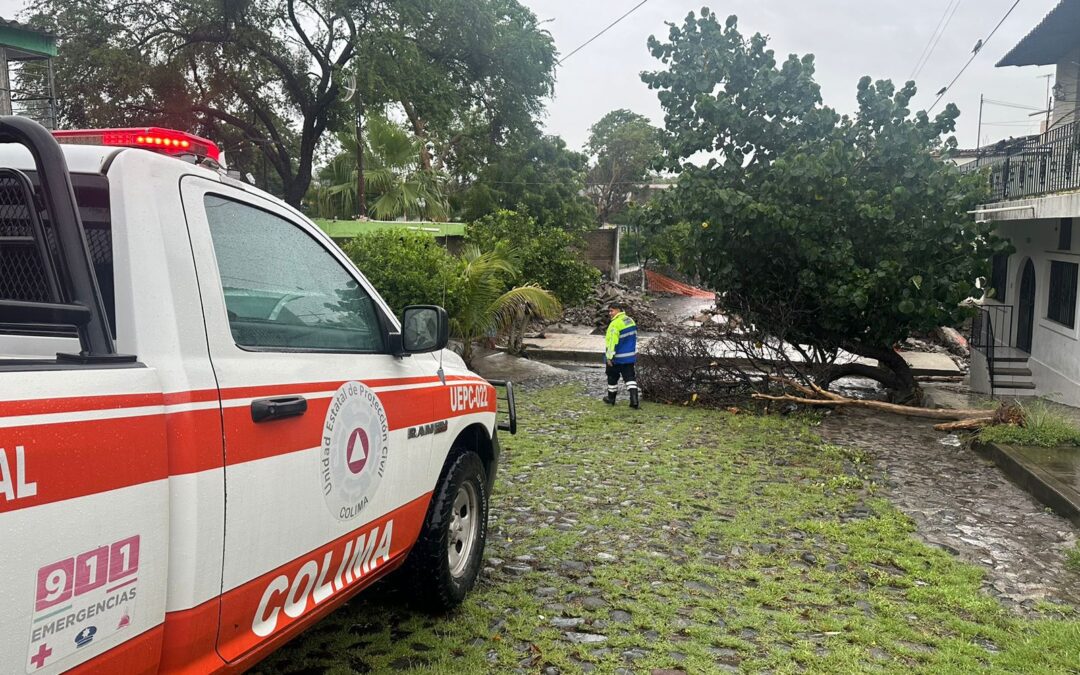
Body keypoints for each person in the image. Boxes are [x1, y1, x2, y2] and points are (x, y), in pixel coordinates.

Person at [603, 304, 639, 408]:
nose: (610, 313)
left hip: (617, 358)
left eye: (611, 311)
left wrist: (609, 357)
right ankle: (634, 400)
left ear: (618, 310)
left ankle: (611, 398)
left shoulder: (615, 324)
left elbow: (611, 342)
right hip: (629, 357)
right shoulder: (630, 321)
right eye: (609, 311)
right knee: (630, 378)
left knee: (612, 377)